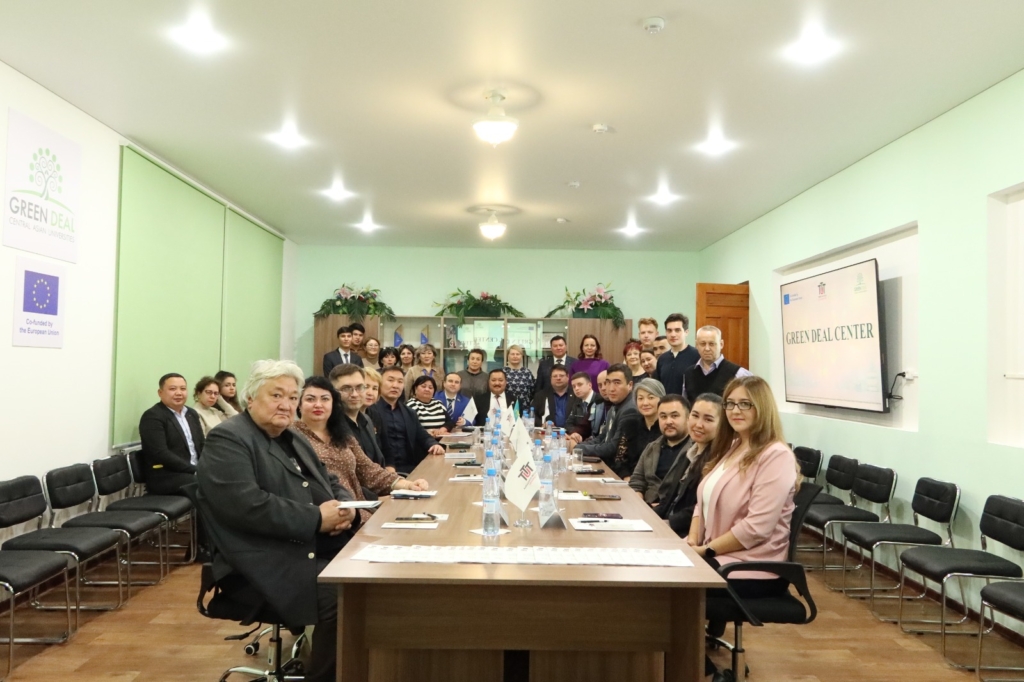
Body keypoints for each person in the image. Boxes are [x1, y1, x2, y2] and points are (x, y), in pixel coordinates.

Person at [196, 359, 359, 682]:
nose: (286, 404)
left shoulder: (292, 436)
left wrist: (346, 507)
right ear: (250, 398)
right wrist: (317, 518)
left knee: (368, 577)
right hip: (258, 563)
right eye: (276, 395)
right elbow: (247, 506)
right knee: (344, 597)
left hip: (302, 546)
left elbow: (327, 480)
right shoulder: (228, 438)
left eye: (292, 397)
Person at [688, 376, 798, 678]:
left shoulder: (776, 455)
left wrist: (705, 551)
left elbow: (757, 527)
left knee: (675, 592)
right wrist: (692, 540)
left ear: (762, 408)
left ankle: (702, 671)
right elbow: (702, 501)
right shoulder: (734, 445)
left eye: (745, 404)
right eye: (731, 404)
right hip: (717, 555)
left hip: (753, 567)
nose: (735, 410)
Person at [294, 376, 428, 524]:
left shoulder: (342, 435)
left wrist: (407, 485)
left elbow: (368, 469)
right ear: (299, 404)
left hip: (360, 511)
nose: (318, 405)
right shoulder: (292, 437)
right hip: (328, 517)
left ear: (333, 404)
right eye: (310, 399)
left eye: (325, 399)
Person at [657, 393, 723, 536]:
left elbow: (701, 507)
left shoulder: (718, 461)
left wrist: (667, 523)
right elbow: (669, 498)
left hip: (687, 534)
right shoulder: (688, 454)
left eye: (708, 419)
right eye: (695, 416)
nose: (698, 424)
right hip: (666, 526)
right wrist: (647, 516)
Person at [139, 373, 205, 495]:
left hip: (194, 470)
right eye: (173, 389)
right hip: (166, 475)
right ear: (160, 393)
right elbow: (160, 454)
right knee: (208, 483)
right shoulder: (153, 416)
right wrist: (195, 470)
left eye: (183, 389)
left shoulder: (191, 413)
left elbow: (202, 444)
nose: (179, 393)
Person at [371, 366, 445, 473]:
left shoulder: (409, 412)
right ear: (379, 383)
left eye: (400, 381)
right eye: (390, 380)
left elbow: (422, 435)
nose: (395, 385)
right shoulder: (370, 411)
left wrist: (434, 444)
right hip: (382, 469)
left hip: (409, 467)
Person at [576, 364, 641, 479]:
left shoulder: (630, 410)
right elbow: (602, 437)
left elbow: (612, 448)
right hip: (609, 468)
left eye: (617, 383)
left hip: (622, 474)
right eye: (608, 382)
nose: (610, 388)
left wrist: (578, 449)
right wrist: (579, 446)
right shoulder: (615, 406)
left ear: (630, 385)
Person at [630, 391, 689, 504]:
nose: (668, 421)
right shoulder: (651, 447)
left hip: (674, 511)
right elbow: (636, 482)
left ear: (688, 418)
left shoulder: (696, 451)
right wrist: (640, 505)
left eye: (674, 416)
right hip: (645, 506)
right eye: (663, 416)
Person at [329, 364, 386, 467]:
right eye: (346, 388)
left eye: (359, 387)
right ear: (333, 392)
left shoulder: (367, 421)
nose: (354, 394)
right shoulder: (329, 426)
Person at [683, 325, 753, 404]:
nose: (707, 348)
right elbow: (686, 405)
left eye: (712, 344)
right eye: (703, 344)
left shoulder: (739, 374)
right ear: (696, 345)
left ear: (721, 344)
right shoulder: (688, 374)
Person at [654, 313, 700, 395]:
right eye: (669, 331)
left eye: (677, 330)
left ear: (686, 332)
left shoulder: (697, 355)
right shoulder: (662, 359)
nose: (673, 334)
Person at [631, 378, 665, 458]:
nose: (645, 403)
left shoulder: (666, 427)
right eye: (640, 398)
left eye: (651, 398)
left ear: (661, 399)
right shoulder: (631, 426)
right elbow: (621, 459)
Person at [565, 372, 597, 441]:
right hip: (579, 439)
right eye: (574, 386)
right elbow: (568, 424)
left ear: (590, 385)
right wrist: (575, 434)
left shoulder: (599, 401)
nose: (576, 388)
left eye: (580, 385)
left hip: (594, 441)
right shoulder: (576, 402)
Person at [503, 344, 535, 412]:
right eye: (512, 354)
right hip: (506, 408)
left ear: (521, 356)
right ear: (508, 356)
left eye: (518, 354)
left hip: (525, 409)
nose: (515, 356)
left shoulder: (527, 372)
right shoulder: (502, 372)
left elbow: (533, 391)